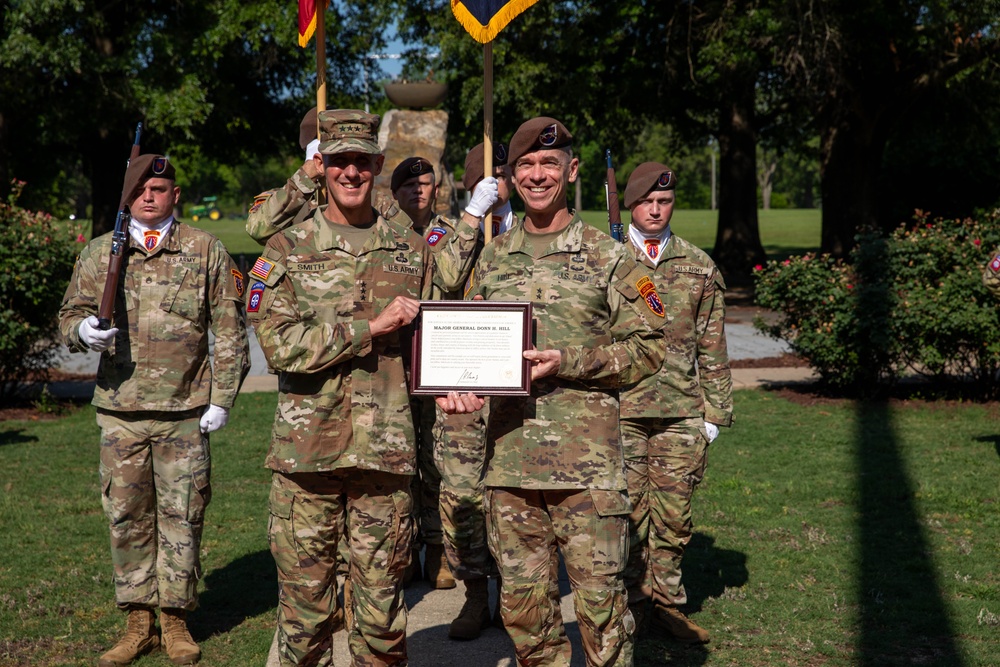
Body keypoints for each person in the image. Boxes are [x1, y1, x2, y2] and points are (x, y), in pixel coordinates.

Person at [437, 117, 666, 667]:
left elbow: (652, 347)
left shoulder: (611, 257)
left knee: (603, 613)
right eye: (526, 166)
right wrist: (458, 388)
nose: (538, 175)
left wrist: (573, 362)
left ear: (571, 170)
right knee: (525, 616)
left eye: (549, 164)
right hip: (510, 469)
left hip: (586, 472)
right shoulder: (491, 258)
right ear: (511, 176)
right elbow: (465, 345)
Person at [249, 109, 435, 667]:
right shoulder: (287, 247)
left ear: (378, 166)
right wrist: (367, 329)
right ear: (321, 168)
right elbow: (279, 345)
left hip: (385, 455)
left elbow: (436, 343)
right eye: (339, 162)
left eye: (361, 161)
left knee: (381, 618)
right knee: (305, 618)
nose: (350, 172)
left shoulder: (411, 251)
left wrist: (459, 382)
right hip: (308, 457)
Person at [58, 154, 251, 666]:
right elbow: (69, 314)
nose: (149, 195)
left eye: (160, 187)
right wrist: (82, 332)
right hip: (121, 411)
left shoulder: (204, 249)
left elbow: (229, 328)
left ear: (176, 195)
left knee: (182, 517)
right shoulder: (102, 252)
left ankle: (176, 619)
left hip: (186, 411)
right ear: (128, 195)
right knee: (126, 517)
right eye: (140, 188)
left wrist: (224, 398)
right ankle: (138, 620)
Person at [617, 162, 733, 644]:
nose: (656, 209)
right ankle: (627, 607)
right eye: (647, 201)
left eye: (664, 202)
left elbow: (713, 343)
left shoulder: (697, 264)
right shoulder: (606, 258)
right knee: (623, 516)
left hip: (681, 411)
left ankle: (667, 606)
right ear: (631, 204)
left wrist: (715, 414)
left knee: (673, 516)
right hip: (619, 408)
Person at [435, 140, 517, 639]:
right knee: (463, 497)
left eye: (507, 174)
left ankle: (514, 594)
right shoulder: (447, 232)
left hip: (516, 392)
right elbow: (441, 279)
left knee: (512, 500)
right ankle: (473, 595)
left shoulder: (534, 231)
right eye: (495, 175)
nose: (504, 182)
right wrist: (473, 216)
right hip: (463, 390)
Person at [246, 106, 406, 245]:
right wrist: (306, 176)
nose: (350, 172)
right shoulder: (288, 198)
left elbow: (408, 241)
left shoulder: (373, 201)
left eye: (360, 158)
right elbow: (258, 230)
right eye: (339, 158)